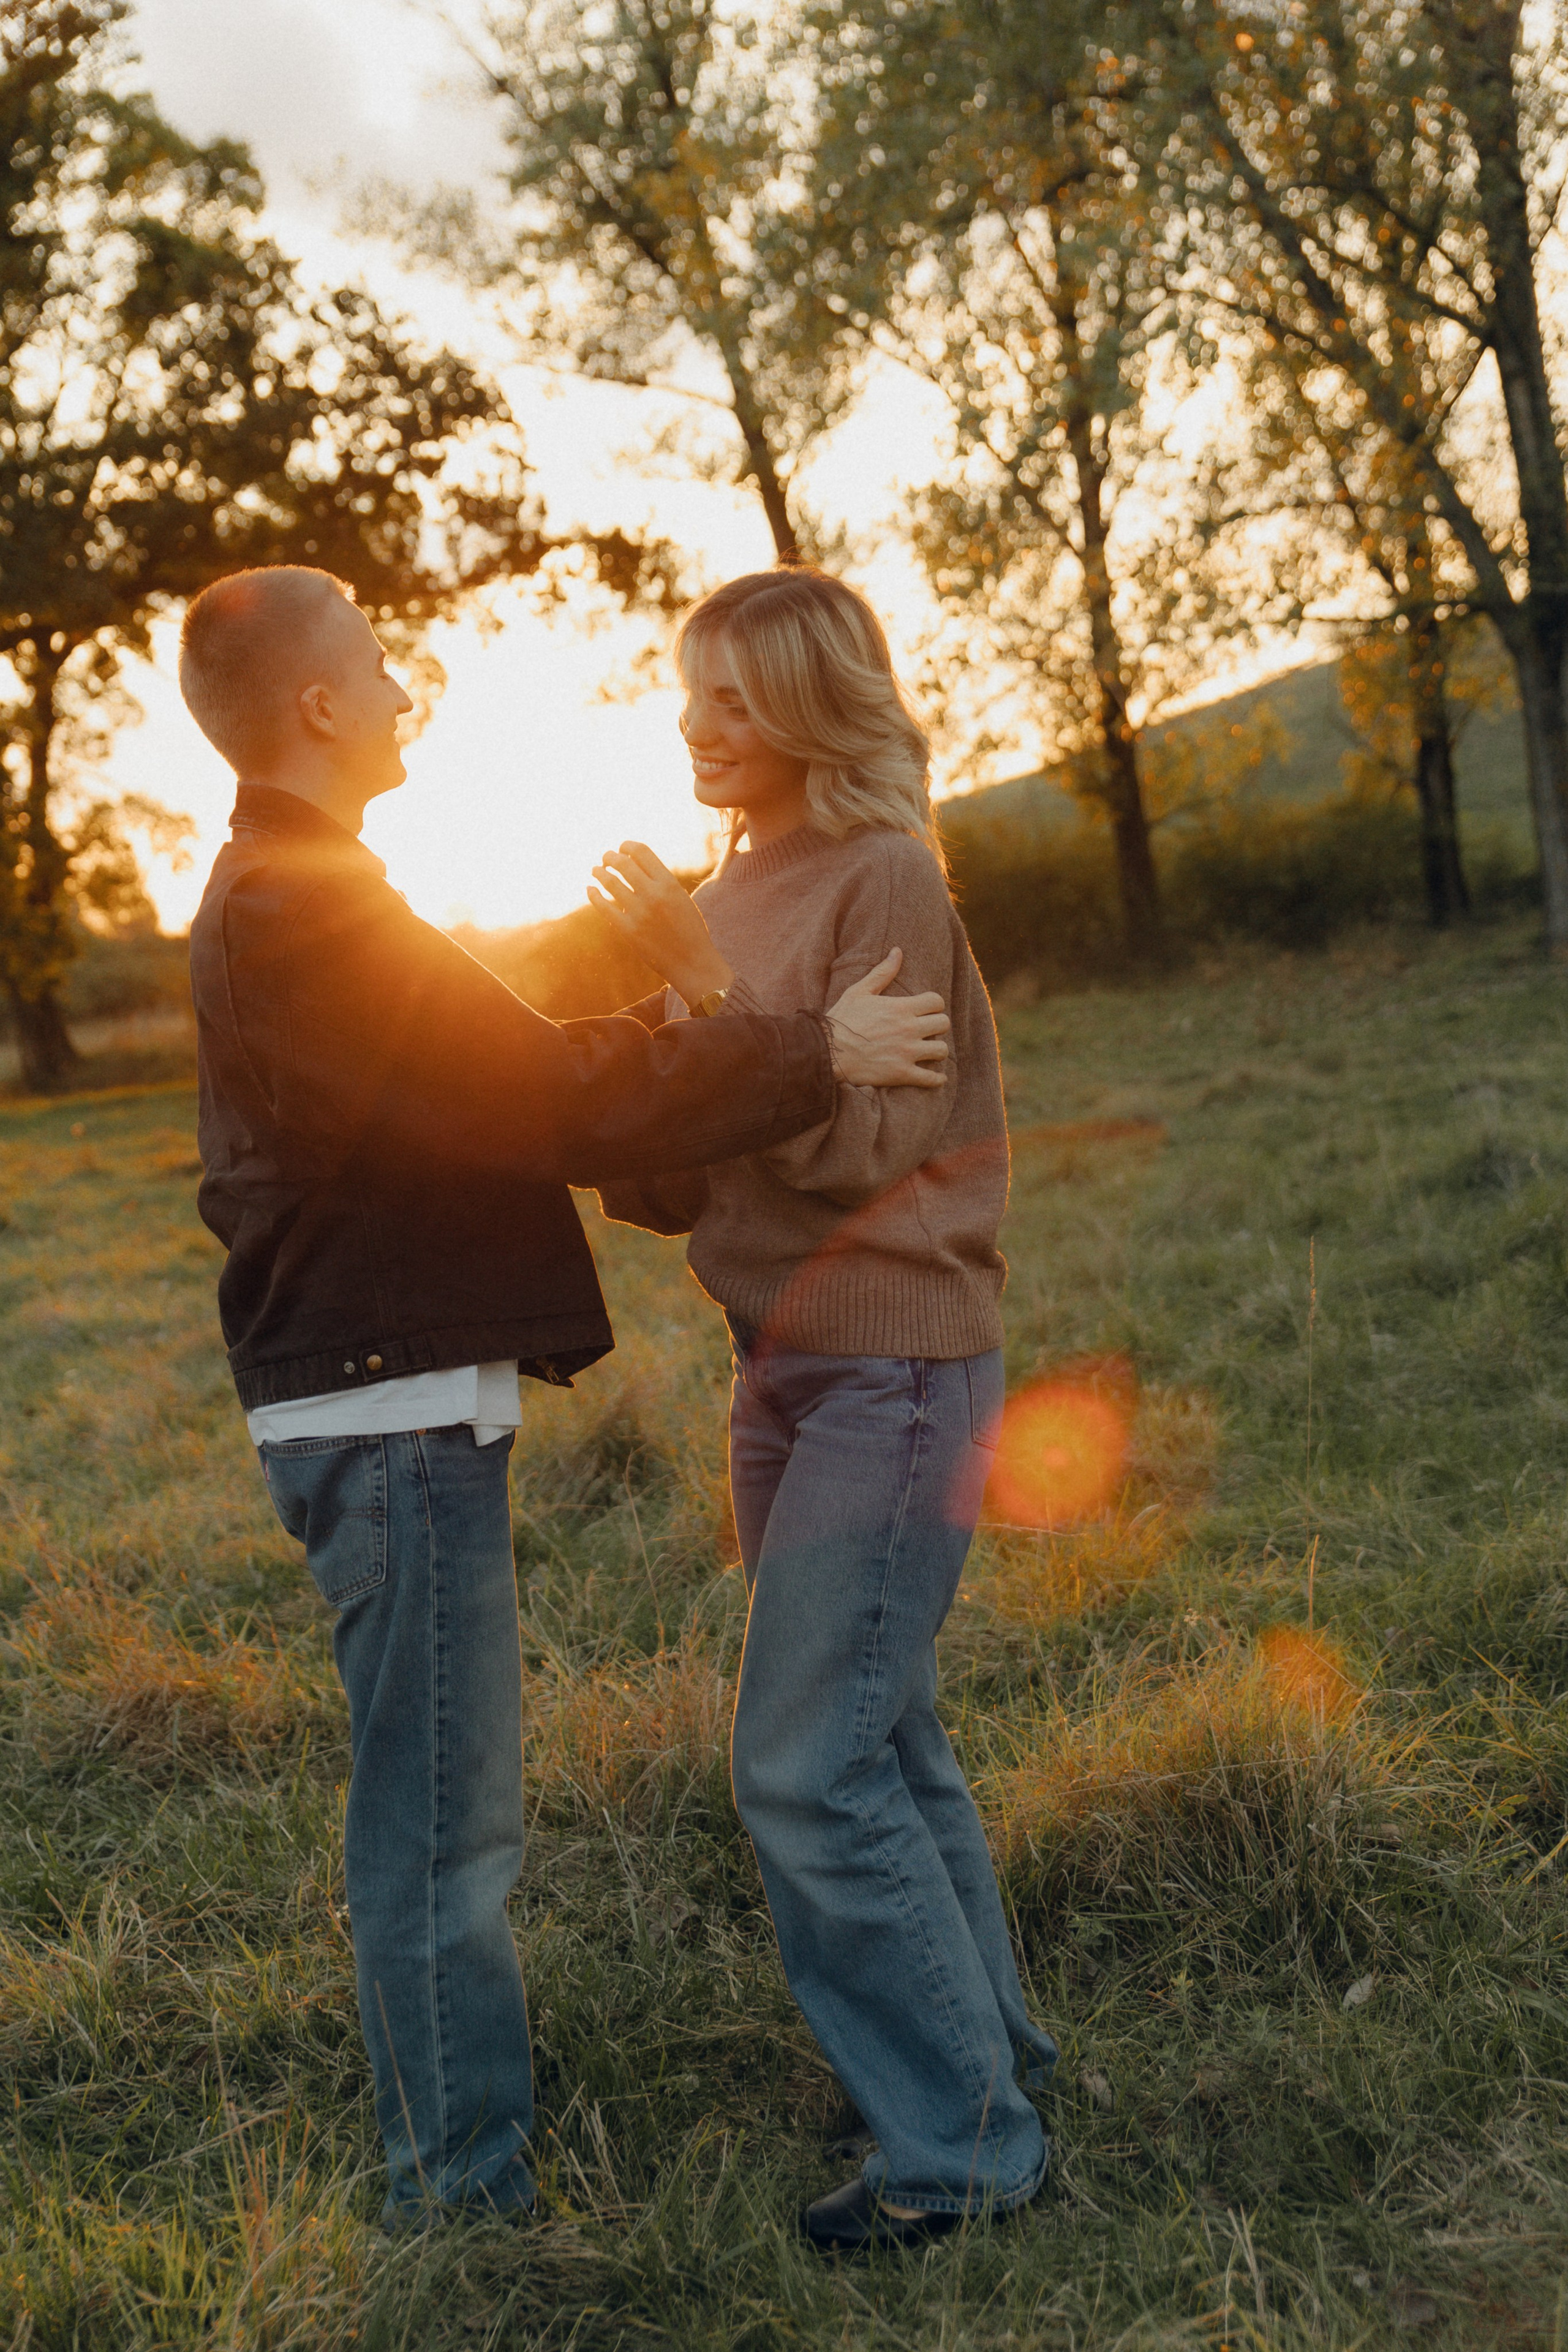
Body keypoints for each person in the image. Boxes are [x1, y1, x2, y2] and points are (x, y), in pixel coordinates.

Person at [177, 564, 952, 2231]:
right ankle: (461, 2201)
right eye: (377, 665)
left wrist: (690, 1000)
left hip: (390, 1401)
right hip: (380, 1414)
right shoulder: (302, 901)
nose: (400, 690)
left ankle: (472, 2166)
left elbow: (504, 1066)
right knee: (442, 1831)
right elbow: (530, 1085)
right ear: (317, 705)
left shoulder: (307, 890)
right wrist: (809, 1050)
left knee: (449, 1817)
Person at [589, 565, 1056, 2256]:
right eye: (688, 692)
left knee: (802, 1763)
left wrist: (702, 999)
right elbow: (669, 1171)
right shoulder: (721, 890)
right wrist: (639, 1033)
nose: (696, 725)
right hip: (774, 1366)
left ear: (805, 709)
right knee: (886, 1738)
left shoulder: (885, 882)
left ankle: (965, 2153)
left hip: (897, 1360)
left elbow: (862, 1158)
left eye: (729, 698)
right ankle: (984, 2060)